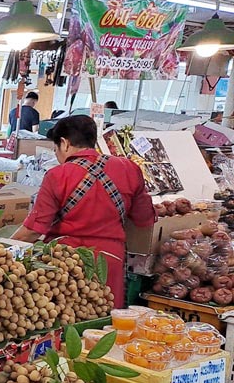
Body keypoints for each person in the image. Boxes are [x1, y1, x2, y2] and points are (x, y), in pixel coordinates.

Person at [11, 115, 155, 308]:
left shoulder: (57, 175)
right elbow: (144, 219)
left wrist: (4, 249)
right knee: (106, 319)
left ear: (64, 143)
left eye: (55, 149)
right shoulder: (129, 169)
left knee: (70, 318)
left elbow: (33, 230)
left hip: (67, 264)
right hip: (110, 263)